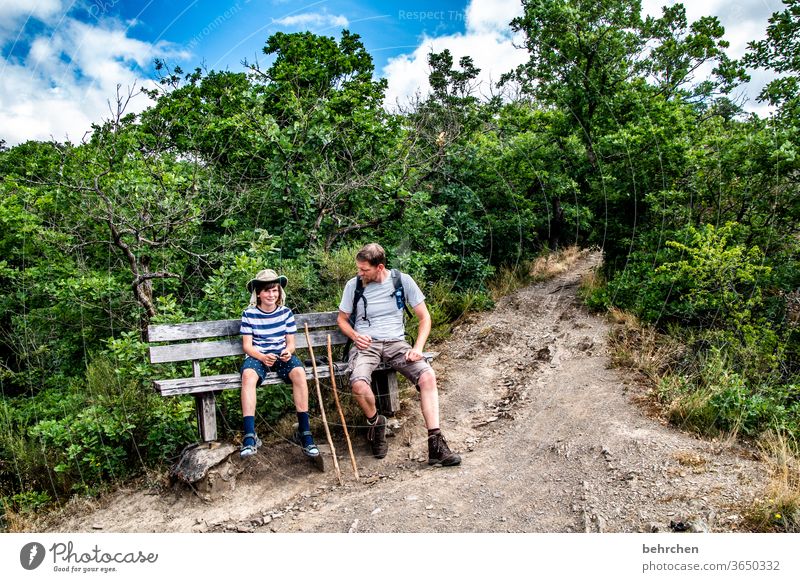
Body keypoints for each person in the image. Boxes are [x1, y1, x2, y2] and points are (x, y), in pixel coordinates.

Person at [337, 243, 461, 467]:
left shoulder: (402, 281)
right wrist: (355, 336)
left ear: (380, 266)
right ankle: (376, 424)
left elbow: (425, 318)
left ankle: (436, 444)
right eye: (358, 269)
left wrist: (418, 348)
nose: (360, 273)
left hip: (396, 343)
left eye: (364, 270)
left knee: (427, 376)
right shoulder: (353, 285)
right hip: (367, 344)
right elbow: (342, 319)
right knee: (358, 384)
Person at [239, 269, 319, 460]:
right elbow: (247, 346)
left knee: (299, 372)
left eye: (275, 290)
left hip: (280, 357)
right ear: (258, 293)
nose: (271, 295)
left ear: (279, 292)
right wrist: (262, 356)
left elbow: (291, 344)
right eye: (267, 291)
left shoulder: (286, 313)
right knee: (248, 376)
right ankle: (249, 435)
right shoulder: (249, 314)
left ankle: (305, 432)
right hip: (258, 356)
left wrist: (287, 352)